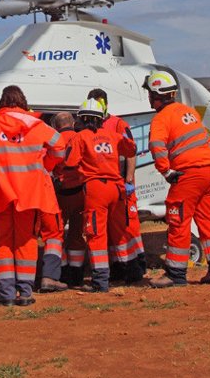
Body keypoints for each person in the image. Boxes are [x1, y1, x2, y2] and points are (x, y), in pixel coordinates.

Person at [0, 86, 65, 306]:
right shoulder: (35, 125)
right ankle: (25, 293)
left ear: (2, 103)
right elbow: (60, 146)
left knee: (2, 242)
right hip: (30, 194)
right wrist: (44, 165)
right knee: (27, 241)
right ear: (23, 102)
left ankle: (6, 292)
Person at [143, 69, 210, 288]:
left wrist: (167, 172)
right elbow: (205, 141)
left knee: (178, 220)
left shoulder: (162, 118)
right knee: (207, 222)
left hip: (187, 176)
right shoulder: (187, 112)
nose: (149, 98)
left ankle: (175, 275)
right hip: (208, 173)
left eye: (150, 94)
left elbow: (156, 146)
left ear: (156, 94)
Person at [64, 99, 137, 293]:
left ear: (83, 118)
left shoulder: (80, 138)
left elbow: (70, 162)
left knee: (96, 234)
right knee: (120, 232)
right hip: (117, 187)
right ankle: (132, 272)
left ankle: (100, 281)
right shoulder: (112, 136)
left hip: (96, 189)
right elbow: (131, 148)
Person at [87, 88, 146, 283]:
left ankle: (137, 264)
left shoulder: (118, 124)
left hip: (121, 182)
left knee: (129, 226)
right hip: (109, 186)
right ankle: (118, 267)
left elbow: (131, 152)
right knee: (110, 230)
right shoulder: (90, 126)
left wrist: (129, 179)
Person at [38, 112, 82, 291]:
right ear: (72, 122)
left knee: (57, 234)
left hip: (60, 194)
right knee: (77, 235)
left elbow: (48, 164)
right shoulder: (81, 137)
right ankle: (77, 275)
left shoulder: (53, 139)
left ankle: (61, 272)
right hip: (80, 194)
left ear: (56, 126)